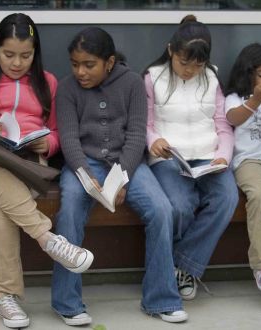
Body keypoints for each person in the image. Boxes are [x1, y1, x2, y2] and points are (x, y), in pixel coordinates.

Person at [0, 13, 93, 329]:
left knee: (0, 207)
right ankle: (49, 240)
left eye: (25, 55)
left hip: (27, 164)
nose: (17, 63)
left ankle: (6, 299)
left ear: (36, 53)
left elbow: (57, 130)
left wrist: (50, 144)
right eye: (9, 55)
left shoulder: (48, 83)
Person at [52, 26, 188, 326]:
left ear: (109, 62)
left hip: (126, 163)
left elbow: (137, 134)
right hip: (83, 164)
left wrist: (121, 177)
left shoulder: (132, 83)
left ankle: (160, 299)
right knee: (71, 208)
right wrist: (88, 178)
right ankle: (67, 302)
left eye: (89, 65)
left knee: (161, 210)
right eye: (75, 64)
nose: (80, 72)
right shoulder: (66, 89)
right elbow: (70, 141)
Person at [143, 15, 238, 300]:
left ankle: (180, 265)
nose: (190, 70)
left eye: (197, 65)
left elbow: (222, 124)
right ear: (171, 50)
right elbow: (145, 123)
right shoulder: (153, 78)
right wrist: (154, 141)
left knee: (227, 198)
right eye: (184, 62)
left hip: (209, 157)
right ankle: (179, 267)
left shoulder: (211, 78)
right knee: (180, 205)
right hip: (170, 157)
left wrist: (223, 156)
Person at [225, 43, 261, 291]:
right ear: (247, 72)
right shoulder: (235, 98)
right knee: (259, 197)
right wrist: (256, 100)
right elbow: (233, 118)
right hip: (248, 160)